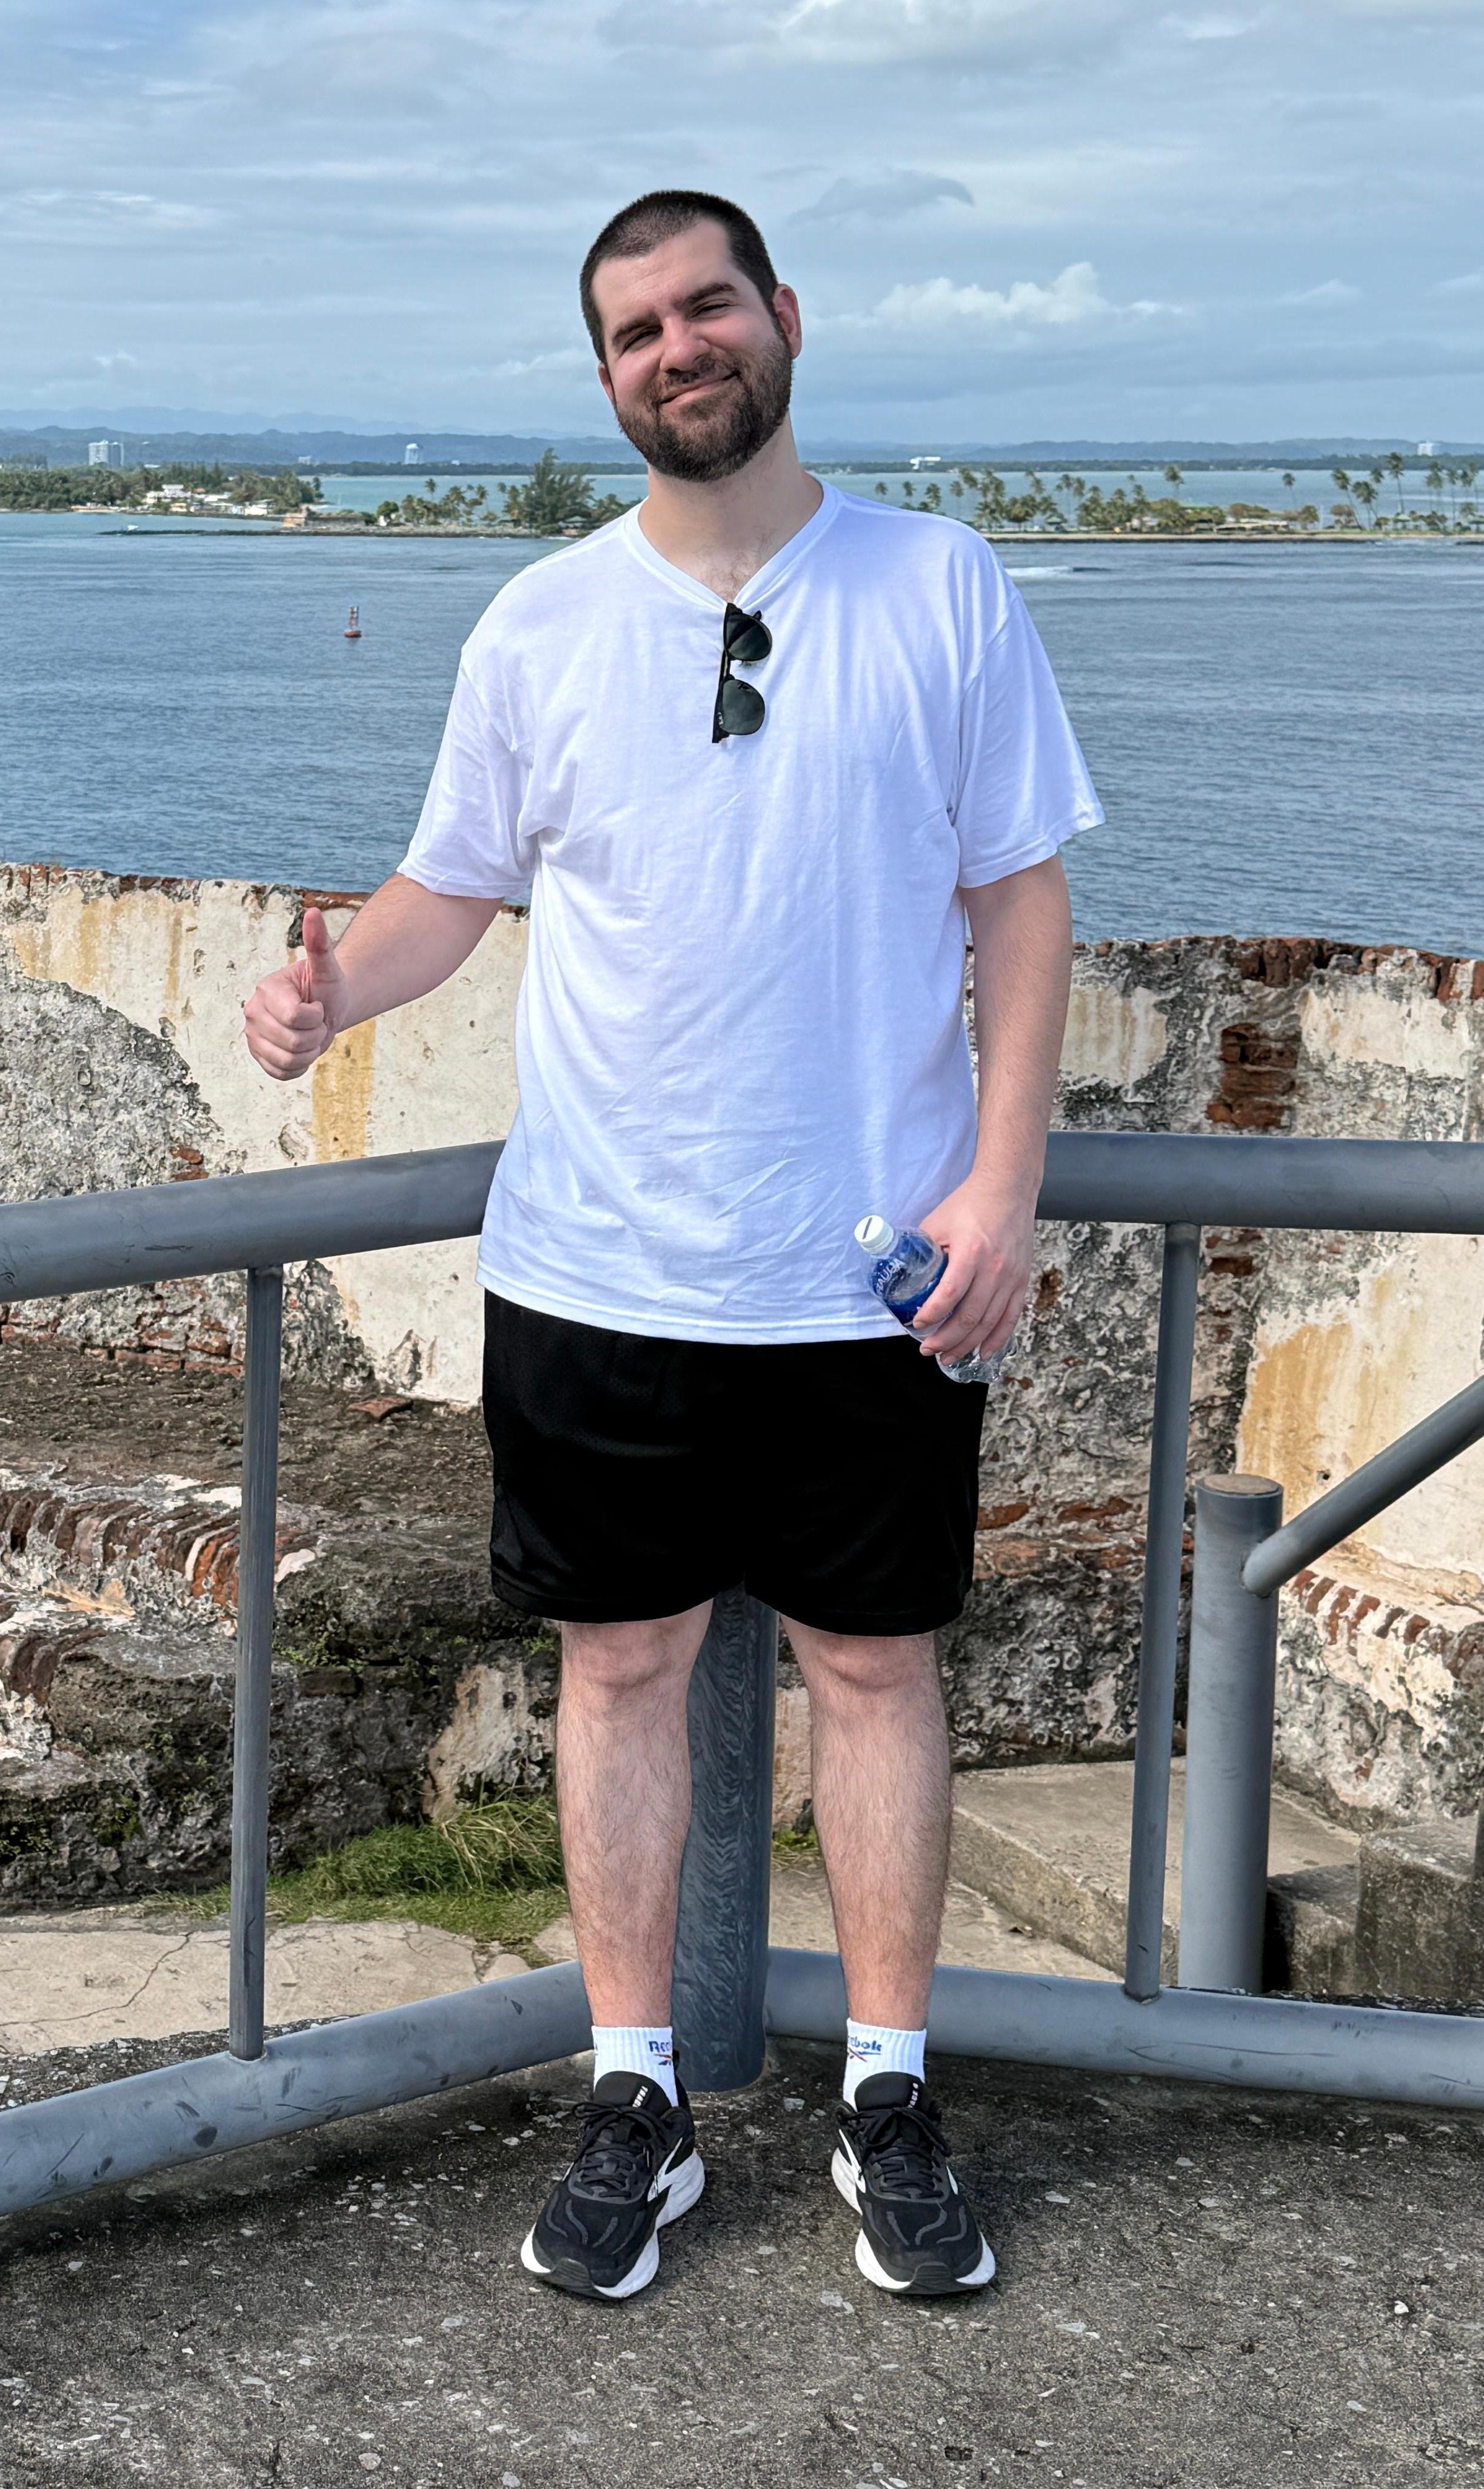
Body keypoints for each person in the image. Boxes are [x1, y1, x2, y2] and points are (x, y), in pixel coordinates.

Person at [241, 189, 1098, 2305]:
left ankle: (885, 2084)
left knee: (874, 1672)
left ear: (780, 319)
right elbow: (456, 887)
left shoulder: (941, 588)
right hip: (595, 1268)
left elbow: (1019, 905)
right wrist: (333, 983)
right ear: (605, 375)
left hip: (871, 1273)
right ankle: (632, 2088)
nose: (673, 349)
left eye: (704, 306)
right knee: (616, 1669)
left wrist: (999, 1187)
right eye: (631, 330)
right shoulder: (536, 624)